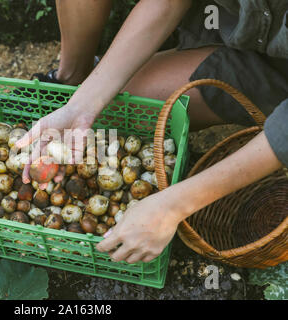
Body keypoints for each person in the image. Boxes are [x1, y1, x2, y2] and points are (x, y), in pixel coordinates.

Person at [16, 0, 288, 264]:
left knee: (123, 109)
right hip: (240, 38)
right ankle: (76, 78)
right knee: (120, 104)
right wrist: (81, 107)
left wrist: (174, 205)